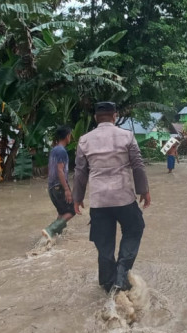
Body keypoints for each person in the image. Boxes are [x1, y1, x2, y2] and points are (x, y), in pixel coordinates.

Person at [73, 102, 151, 293]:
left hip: (99, 200)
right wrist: (144, 191)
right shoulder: (127, 136)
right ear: (115, 116)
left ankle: (108, 283)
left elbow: (80, 172)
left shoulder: (84, 140)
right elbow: (138, 165)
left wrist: (77, 198)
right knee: (135, 228)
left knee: (104, 242)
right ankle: (121, 274)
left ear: (95, 118)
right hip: (124, 197)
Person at [42, 126, 75, 240]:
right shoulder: (61, 151)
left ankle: (54, 238)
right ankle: (50, 230)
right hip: (59, 186)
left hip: (52, 187)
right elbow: (60, 170)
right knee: (72, 210)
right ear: (67, 136)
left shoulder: (54, 150)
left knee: (62, 213)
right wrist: (66, 189)